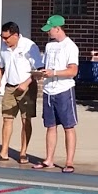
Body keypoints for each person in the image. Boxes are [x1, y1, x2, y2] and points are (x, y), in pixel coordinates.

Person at [31, 14, 79, 173]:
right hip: (48, 90)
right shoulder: (50, 46)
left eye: (50, 29)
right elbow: (47, 68)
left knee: (68, 126)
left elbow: (73, 71)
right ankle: (49, 159)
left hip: (64, 90)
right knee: (50, 126)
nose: (48, 32)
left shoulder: (70, 46)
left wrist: (55, 73)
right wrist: (40, 74)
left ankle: (69, 162)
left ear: (58, 28)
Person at [0, 21, 42, 164]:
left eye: (6, 38)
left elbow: (38, 70)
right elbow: (0, 65)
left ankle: (23, 152)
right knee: (7, 118)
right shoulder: (3, 47)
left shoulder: (29, 46)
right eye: (2, 37)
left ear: (15, 35)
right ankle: (4, 151)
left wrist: (25, 83)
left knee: (26, 120)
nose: (4, 40)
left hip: (27, 86)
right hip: (10, 86)